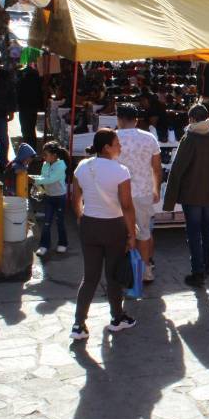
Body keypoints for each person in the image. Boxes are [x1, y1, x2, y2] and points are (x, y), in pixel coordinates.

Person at [71, 129, 137, 340]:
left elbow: (75, 196)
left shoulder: (82, 166)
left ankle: (78, 324)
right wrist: (132, 233)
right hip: (113, 226)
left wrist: (80, 216)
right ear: (107, 147)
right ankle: (117, 317)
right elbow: (127, 205)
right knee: (113, 275)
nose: (120, 147)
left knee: (90, 277)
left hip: (89, 224)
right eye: (117, 143)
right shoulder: (120, 171)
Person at [163, 104, 209, 287]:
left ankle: (198, 272)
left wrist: (169, 199)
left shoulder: (189, 139)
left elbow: (177, 169)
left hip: (191, 194)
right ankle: (206, 264)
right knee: (207, 228)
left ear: (192, 119)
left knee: (194, 232)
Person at [115, 103, 162, 282]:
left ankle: (121, 270)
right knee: (144, 232)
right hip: (143, 192)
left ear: (119, 119)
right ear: (136, 119)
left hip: (118, 193)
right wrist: (156, 189)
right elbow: (157, 168)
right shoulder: (149, 138)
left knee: (119, 233)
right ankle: (146, 270)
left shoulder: (112, 138)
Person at [30, 141, 69, 256]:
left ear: (54, 155)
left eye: (46, 154)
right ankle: (44, 245)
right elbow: (44, 177)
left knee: (60, 221)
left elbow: (50, 179)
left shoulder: (61, 165)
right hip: (49, 197)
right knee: (46, 222)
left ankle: (63, 243)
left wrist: (34, 180)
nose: (44, 157)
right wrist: (35, 179)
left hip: (60, 197)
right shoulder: (45, 164)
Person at [16, 63, 43, 149]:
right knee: (31, 127)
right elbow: (39, 94)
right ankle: (31, 146)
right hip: (32, 107)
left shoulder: (22, 80)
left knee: (25, 128)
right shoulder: (36, 81)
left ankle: (28, 146)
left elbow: (18, 93)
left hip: (24, 107)